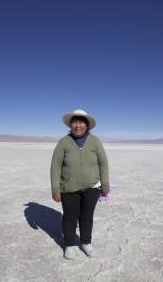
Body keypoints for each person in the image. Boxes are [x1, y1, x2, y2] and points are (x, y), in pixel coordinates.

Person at [50, 109, 110, 260]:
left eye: (81, 122)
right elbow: (56, 165)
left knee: (87, 217)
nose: (78, 125)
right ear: (71, 125)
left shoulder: (95, 141)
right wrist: (56, 189)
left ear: (87, 125)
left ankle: (86, 243)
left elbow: (103, 163)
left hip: (92, 187)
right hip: (69, 188)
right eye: (75, 122)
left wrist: (105, 184)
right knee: (70, 217)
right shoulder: (64, 142)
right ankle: (69, 245)